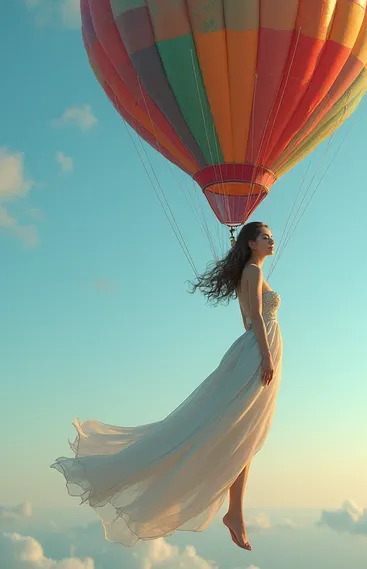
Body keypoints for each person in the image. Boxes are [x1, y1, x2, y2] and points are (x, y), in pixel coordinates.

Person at [50, 222, 282, 551]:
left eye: (271, 236)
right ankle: (235, 513)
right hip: (258, 352)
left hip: (253, 350)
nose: (272, 241)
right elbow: (256, 317)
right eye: (265, 237)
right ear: (250, 243)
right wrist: (267, 356)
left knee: (246, 433)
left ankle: (235, 513)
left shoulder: (250, 271)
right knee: (242, 433)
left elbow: (246, 318)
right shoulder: (253, 272)